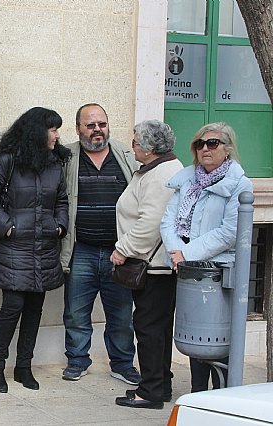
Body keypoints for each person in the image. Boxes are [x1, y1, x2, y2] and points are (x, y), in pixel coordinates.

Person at [0, 107, 70, 393]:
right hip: (15, 248)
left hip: (45, 247)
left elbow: (62, 200)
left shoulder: (55, 163)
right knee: (12, 307)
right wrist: (7, 227)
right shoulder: (9, 160)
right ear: (37, 132)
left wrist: (60, 226)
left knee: (34, 309)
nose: (57, 135)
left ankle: (23, 367)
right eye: (53, 129)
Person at [161, 122, 252, 393]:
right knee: (195, 336)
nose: (205, 149)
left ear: (227, 149)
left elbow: (230, 232)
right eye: (199, 144)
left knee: (218, 340)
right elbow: (169, 221)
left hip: (220, 272)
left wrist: (187, 254)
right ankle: (198, 394)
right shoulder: (187, 180)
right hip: (187, 270)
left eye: (212, 143)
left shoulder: (239, 184)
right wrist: (177, 254)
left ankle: (222, 397)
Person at [60, 103, 141, 385]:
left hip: (118, 252)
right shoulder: (66, 157)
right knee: (75, 312)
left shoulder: (125, 155)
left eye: (102, 124)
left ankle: (122, 364)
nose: (97, 130)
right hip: (81, 249)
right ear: (78, 129)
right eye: (91, 125)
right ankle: (77, 360)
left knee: (121, 315)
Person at [111, 120, 183, 410]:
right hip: (158, 264)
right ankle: (159, 385)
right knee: (158, 327)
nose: (133, 148)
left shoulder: (161, 174)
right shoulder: (159, 169)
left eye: (136, 143)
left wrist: (123, 249)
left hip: (154, 266)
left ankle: (151, 391)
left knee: (149, 328)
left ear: (150, 148)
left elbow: (151, 223)